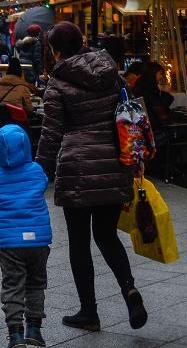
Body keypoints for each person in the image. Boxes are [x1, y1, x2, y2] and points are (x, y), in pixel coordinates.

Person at [34, 21, 146, 333]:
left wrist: (38, 171)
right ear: (82, 41)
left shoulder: (57, 82)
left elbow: (51, 133)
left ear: (56, 50)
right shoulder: (110, 71)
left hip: (78, 165)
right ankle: (129, 289)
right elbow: (128, 112)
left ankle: (89, 311)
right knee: (107, 236)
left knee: (79, 242)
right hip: (113, 161)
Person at [0, 124, 52, 348]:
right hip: (39, 241)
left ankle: (15, 335)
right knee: (36, 284)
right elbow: (42, 185)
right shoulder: (36, 169)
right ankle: (34, 329)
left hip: (11, 244)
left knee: (13, 286)